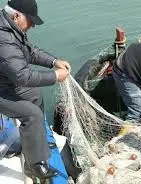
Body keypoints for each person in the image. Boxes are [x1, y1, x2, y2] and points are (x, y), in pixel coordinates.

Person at [0, 0, 71, 179]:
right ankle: (34, 166)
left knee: (35, 95)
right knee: (32, 114)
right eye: (30, 21)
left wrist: (54, 61)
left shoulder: (12, 28)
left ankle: (37, 144)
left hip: (5, 83)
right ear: (16, 16)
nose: (32, 26)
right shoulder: (3, 39)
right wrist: (55, 77)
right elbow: (23, 77)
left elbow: (30, 52)